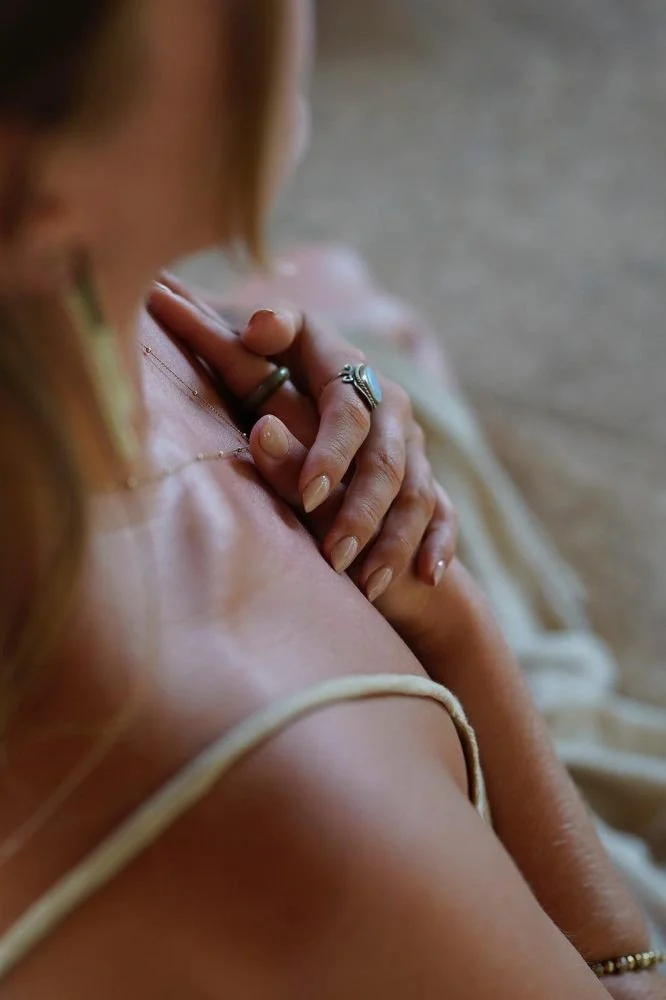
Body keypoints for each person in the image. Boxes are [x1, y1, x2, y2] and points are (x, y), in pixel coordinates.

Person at [0, 1, 662, 997]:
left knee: (337, 294)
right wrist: (454, 621)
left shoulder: (81, 308)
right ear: (33, 167)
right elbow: (617, 978)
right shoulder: (279, 803)